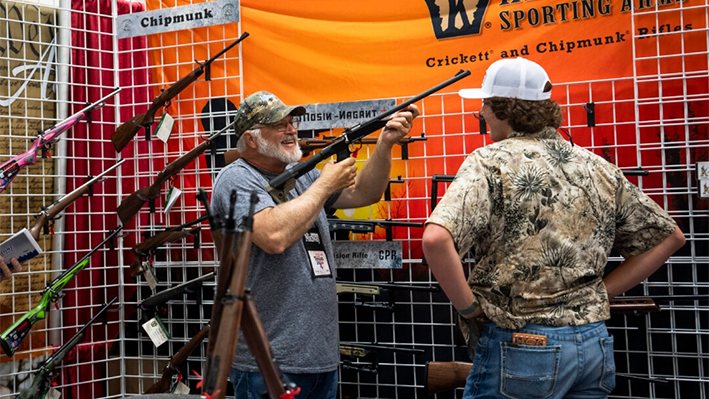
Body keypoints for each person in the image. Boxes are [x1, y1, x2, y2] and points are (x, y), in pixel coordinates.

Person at [421, 57, 686, 399]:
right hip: (593, 347)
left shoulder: (488, 162)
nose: (482, 113)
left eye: (485, 104)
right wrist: (600, 295)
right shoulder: (595, 166)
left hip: (521, 343)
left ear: (503, 108)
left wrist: (469, 308)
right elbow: (670, 237)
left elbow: (436, 238)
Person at [211, 90, 419, 398]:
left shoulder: (301, 179)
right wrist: (324, 185)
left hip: (320, 360)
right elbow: (273, 236)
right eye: (279, 124)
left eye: (291, 121)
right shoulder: (236, 180)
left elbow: (365, 192)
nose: (291, 129)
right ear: (251, 139)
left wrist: (385, 144)